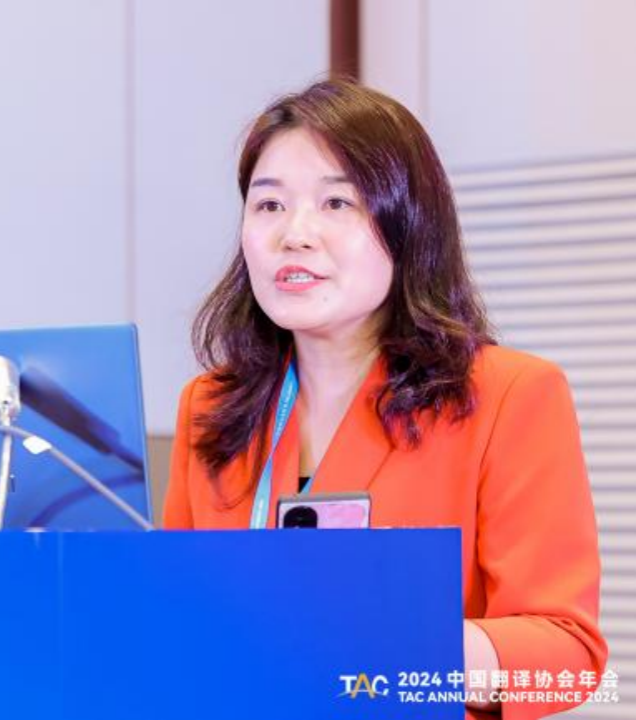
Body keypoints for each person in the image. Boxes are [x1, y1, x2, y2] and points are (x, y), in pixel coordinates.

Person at [163, 79, 607, 720]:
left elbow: (567, 664)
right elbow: (180, 617)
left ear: (407, 224)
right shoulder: (210, 405)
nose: (295, 234)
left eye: (337, 202)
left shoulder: (511, 394)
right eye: (269, 205)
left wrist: (392, 651)